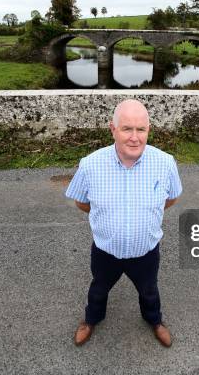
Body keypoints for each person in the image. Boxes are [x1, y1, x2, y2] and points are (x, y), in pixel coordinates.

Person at [65, 99, 183, 347]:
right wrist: (107, 215)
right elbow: (81, 203)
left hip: (146, 252)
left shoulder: (165, 163)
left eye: (141, 129)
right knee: (98, 289)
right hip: (106, 251)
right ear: (113, 129)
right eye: (127, 128)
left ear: (149, 129)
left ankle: (155, 321)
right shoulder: (90, 165)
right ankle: (91, 320)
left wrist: (146, 213)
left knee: (149, 290)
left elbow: (171, 198)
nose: (134, 137)